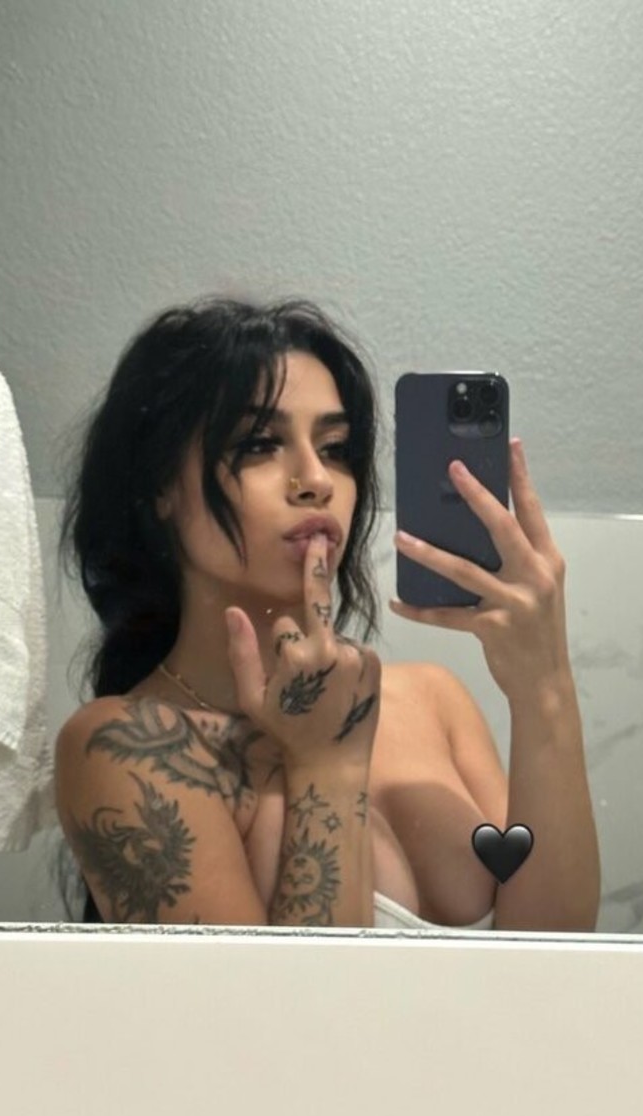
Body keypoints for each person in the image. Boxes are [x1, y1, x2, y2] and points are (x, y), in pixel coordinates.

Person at [55, 296, 600, 932]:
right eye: (260, 444)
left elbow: (556, 952)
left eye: (337, 448)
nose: (316, 479)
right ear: (159, 487)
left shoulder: (433, 700)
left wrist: (544, 686)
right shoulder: (124, 746)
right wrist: (326, 766)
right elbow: (282, 996)